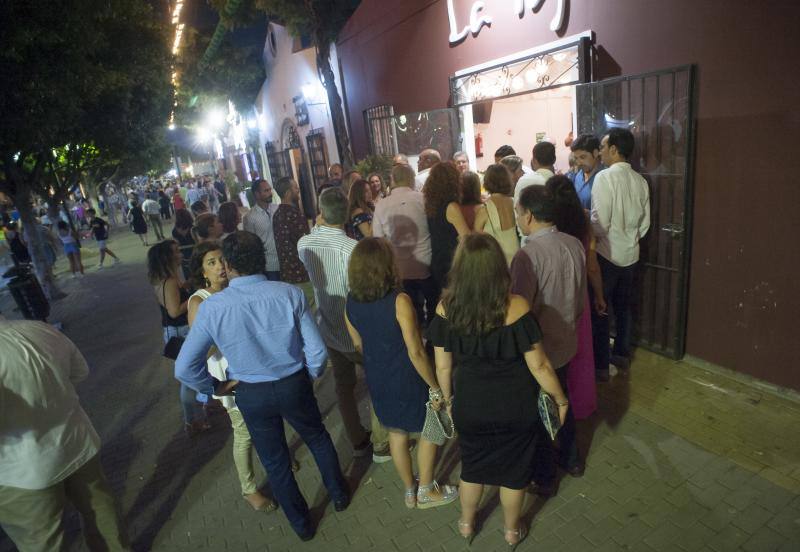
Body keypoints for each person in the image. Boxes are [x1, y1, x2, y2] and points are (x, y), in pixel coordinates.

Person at [175, 231, 350, 541]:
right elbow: (317, 351)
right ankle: (339, 496)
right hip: (292, 382)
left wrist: (216, 387)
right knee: (317, 438)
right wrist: (308, 375)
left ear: (228, 264)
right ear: (261, 258)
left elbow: (184, 366)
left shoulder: (214, 307)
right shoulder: (288, 294)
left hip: (250, 392)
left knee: (275, 460)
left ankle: (302, 524)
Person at [426, 234, 569, 548]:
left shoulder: (445, 307)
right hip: (515, 406)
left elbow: (443, 368)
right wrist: (560, 399)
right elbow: (540, 366)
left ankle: (466, 524)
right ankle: (510, 531)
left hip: (470, 404)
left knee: (472, 469)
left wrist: (448, 401)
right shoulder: (516, 306)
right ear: (497, 268)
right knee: (515, 474)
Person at [344, 238, 458, 509]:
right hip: (406, 376)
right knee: (431, 428)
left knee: (397, 433)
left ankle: (410, 490)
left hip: (378, 377)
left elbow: (358, 344)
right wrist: (435, 386)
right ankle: (427, 490)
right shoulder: (399, 301)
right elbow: (416, 351)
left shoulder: (350, 302)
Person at [0, 317, 129, 551]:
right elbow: (80, 372)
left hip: (22, 473)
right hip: (78, 444)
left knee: (43, 542)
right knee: (102, 513)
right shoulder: (40, 329)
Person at [187, 242, 281, 513]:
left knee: (268, 419)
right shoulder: (199, 300)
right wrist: (226, 329)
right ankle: (249, 489)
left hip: (256, 366)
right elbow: (200, 351)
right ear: (202, 271)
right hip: (231, 375)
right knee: (243, 433)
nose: (219, 268)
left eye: (221, 261)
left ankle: (276, 459)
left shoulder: (237, 288)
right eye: (211, 263)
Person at [298, 189, 390, 462]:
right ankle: (382, 442)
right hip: (356, 329)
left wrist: (319, 222)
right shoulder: (352, 248)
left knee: (343, 385)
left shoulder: (304, 243)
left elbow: (313, 233)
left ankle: (356, 437)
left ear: (321, 213)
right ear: (348, 213)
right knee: (377, 381)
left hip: (328, 324)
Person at [511, 185, 587, 487]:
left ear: (529, 215)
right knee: (561, 397)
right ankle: (571, 459)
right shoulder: (573, 243)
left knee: (540, 410)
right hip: (568, 338)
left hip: (539, 349)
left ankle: (543, 477)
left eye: (518, 212)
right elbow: (580, 296)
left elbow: (519, 310)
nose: (517, 217)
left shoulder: (527, 255)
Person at [591, 128, 651, 376]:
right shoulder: (641, 181)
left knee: (601, 308)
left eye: (603, 147)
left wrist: (591, 234)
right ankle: (622, 354)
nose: (600, 152)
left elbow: (600, 222)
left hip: (607, 255)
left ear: (614, 149)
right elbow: (645, 224)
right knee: (625, 307)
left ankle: (602, 366)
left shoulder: (604, 178)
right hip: (632, 255)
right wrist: (630, 240)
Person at [547, 175, 604, 410]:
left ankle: (555, 402)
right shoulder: (583, 219)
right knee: (580, 349)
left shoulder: (549, 222)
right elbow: (592, 265)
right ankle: (580, 403)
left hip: (552, 294)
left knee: (556, 350)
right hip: (579, 292)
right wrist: (599, 295)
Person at [147, 240, 207, 435]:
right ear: (167, 257)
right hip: (181, 331)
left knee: (190, 374)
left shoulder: (165, 279)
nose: (180, 253)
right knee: (189, 378)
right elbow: (174, 311)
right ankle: (192, 421)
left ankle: (198, 413)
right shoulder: (170, 282)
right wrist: (195, 297)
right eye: (176, 251)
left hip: (176, 331)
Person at [373, 164, 436, 327]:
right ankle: (433, 341)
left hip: (399, 268)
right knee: (433, 305)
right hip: (426, 262)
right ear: (411, 179)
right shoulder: (423, 199)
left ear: (392, 180)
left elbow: (378, 239)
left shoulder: (381, 205)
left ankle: (415, 337)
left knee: (409, 309)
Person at [423, 162, 470, 291]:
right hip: (451, 261)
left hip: (437, 259)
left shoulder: (430, 206)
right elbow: (466, 238)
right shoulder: (451, 207)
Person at [272, 177, 313, 306]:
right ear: (288, 193)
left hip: (287, 275)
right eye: (295, 188)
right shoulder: (293, 214)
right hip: (301, 273)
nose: (298, 190)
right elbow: (305, 243)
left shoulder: (277, 214)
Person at [474, 164, 519, 265]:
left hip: (496, 262)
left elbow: (476, 237)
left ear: (487, 182)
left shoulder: (484, 209)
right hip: (517, 257)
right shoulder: (514, 203)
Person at [242, 179, 281, 281]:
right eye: (266, 191)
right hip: (269, 265)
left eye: (270, 190)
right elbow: (251, 243)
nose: (270, 193)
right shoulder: (250, 217)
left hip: (285, 259)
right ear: (257, 194)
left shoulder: (278, 209)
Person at [513, 141, 557, 205]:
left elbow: (517, 210)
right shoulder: (561, 184)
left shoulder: (524, 181)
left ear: (534, 160)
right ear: (554, 159)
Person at [570, 134, 603, 210]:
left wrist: (589, 214)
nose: (578, 163)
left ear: (595, 153)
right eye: (576, 158)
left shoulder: (605, 177)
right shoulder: (578, 175)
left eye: (582, 157)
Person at [171, 208, 195, 279]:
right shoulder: (192, 228)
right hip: (194, 251)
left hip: (183, 254)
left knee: (187, 272)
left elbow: (176, 243)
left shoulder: (174, 231)